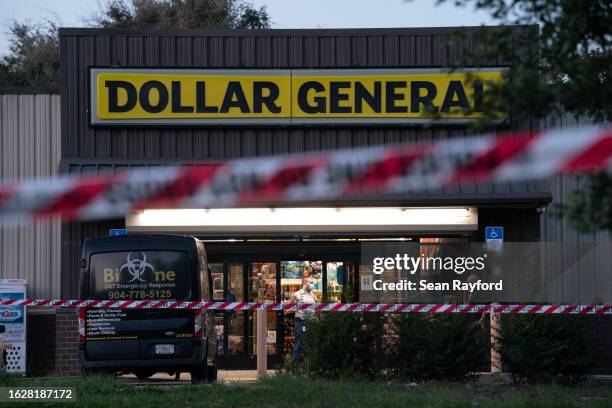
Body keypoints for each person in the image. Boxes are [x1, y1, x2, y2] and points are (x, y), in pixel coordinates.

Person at [291, 276, 317, 362]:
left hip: (311, 321)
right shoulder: (297, 294)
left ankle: (312, 362)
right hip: (300, 321)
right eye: (311, 282)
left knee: (312, 342)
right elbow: (290, 307)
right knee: (299, 342)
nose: (313, 285)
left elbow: (316, 307)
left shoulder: (313, 295)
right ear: (305, 283)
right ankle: (295, 363)